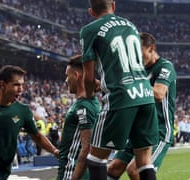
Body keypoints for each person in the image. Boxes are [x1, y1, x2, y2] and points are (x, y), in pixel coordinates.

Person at [80, 1, 159, 179]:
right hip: (146, 94)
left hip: (121, 96)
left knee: (96, 158)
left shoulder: (89, 30)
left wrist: (90, 96)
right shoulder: (131, 25)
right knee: (145, 162)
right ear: (113, 6)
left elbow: (88, 77)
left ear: (91, 11)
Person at [107, 32, 177, 180]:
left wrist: (130, 83)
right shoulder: (137, 70)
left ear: (151, 48)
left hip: (159, 130)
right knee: (113, 168)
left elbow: (158, 94)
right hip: (137, 129)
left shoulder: (165, 67)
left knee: (135, 170)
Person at [57, 55, 100, 180]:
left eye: (67, 75)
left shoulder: (84, 106)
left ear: (76, 75)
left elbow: (87, 148)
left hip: (71, 171)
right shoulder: (87, 102)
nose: (65, 80)